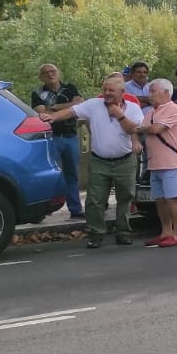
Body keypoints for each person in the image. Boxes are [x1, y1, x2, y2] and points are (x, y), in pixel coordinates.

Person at [51, 73, 144, 247]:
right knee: (94, 200)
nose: (106, 93)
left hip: (125, 160)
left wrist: (118, 114)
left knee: (126, 197)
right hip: (99, 161)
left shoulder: (133, 108)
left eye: (111, 90)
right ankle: (96, 233)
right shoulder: (94, 104)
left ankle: (123, 231)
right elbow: (71, 111)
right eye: (104, 89)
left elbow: (134, 129)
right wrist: (52, 117)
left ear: (122, 92)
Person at [130, 79, 177, 247]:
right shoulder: (151, 112)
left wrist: (139, 129)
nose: (150, 95)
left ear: (166, 93)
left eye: (153, 91)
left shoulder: (174, 109)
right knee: (160, 200)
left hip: (171, 162)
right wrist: (138, 132)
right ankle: (165, 231)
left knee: (173, 199)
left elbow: (155, 129)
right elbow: (139, 128)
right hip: (155, 164)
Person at [31, 64, 84, 217]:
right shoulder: (37, 93)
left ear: (58, 73)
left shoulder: (70, 88)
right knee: (48, 175)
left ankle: (75, 209)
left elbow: (80, 105)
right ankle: (41, 212)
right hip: (50, 139)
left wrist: (53, 107)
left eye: (53, 71)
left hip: (70, 137)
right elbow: (40, 112)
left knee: (72, 174)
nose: (50, 74)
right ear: (41, 77)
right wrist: (69, 107)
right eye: (46, 73)